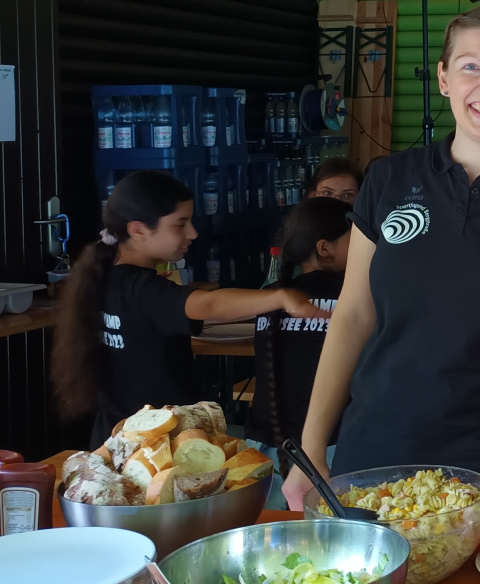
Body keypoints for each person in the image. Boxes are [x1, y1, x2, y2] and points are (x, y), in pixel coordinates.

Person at [282, 4, 480, 523]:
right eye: (471, 66)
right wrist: (312, 446)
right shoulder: (389, 179)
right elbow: (354, 315)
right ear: (444, 79)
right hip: (374, 461)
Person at [52, 170, 328, 447]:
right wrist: (281, 297)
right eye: (180, 224)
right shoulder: (143, 289)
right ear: (138, 230)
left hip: (116, 439)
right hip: (158, 444)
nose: (193, 233)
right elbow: (207, 304)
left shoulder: (104, 278)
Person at [245, 197, 353, 490]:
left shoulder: (271, 297)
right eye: (355, 240)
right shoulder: (356, 300)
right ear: (325, 248)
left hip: (263, 448)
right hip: (331, 449)